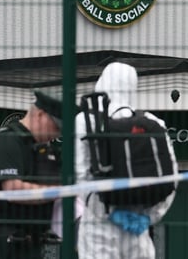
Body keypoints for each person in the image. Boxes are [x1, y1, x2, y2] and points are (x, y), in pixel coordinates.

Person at [73, 62, 178, 259]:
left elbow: (80, 174)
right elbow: (170, 177)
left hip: (99, 226)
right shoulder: (154, 123)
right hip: (138, 227)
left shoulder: (86, 121)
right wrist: (148, 218)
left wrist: (106, 214)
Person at [0, 90, 64, 259]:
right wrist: (58, 191)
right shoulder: (7, 140)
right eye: (55, 127)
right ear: (41, 115)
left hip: (36, 242)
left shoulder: (38, 148)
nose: (56, 134)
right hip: (10, 244)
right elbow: (13, 190)